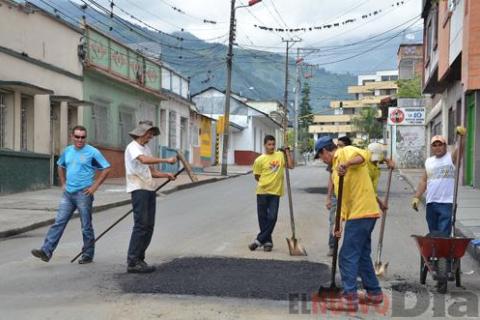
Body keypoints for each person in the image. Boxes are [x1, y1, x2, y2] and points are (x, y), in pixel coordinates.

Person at [315, 136, 383, 311]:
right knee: (361, 255)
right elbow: (344, 201)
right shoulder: (335, 173)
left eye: (320, 156)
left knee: (347, 256)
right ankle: (374, 293)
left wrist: (348, 164)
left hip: (362, 213)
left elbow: (365, 156)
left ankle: (349, 298)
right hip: (361, 213)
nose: (322, 160)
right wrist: (339, 225)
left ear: (325, 151)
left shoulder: (344, 152)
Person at [31, 126, 111, 264]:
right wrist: (63, 183)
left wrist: (94, 187)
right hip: (68, 194)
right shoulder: (67, 151)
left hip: (84, 194)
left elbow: (106, 168)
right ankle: (46, 251)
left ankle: (88, 254)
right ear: (72, 137)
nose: (80, 140)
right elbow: (60, 165)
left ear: (85, 138)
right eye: (77, 137)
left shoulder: (93, 152)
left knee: (86, 226)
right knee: (59, 222)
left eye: (83, 137)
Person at [125, 120, 177, 273]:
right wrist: (166, 160)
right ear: (142, 133)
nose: (151, 136)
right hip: (138, 188)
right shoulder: (133, 147)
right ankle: (132, 261)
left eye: (152, 134)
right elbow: (143, 160)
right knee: (141, 225)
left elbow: (151, 171)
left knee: (149, 226)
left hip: (148, 188)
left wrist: (166, 174)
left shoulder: (146, 148)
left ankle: (140, 258)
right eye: (149, 133)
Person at [412, 128, 465, 236]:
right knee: (433, 234)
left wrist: (462, 138)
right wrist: (416, 197)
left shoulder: (451, 158)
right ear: (431, 147)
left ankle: (442, 253)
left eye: (440, 144)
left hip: (447, 203)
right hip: (431, 203)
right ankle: (435, 252)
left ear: (445, 146)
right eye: (434, 145)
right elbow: (423, 180)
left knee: (443, 234)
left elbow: (460, 150)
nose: (437, 147)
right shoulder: (429, 161)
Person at [249, 135, 293, 252]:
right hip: (262, 191)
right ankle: (268, 242)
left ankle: (259, 240)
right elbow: (257, 176)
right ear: (264, 145)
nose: (271, 147)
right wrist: (266, 183)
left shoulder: (280, 155)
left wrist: (287, 152)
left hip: (275, 192)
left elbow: (290, 165)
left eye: (273, 144)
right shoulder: (259, 160)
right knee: (263, 218)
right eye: (269, 144)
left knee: (272, 217)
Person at [325, 136, 352, 256]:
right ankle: (332, 246)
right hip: (337, 195)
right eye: (338, 146)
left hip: (351, 195)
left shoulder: (352, 159)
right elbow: (331, 179)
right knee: (334, 221)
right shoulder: (334, 160)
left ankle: (351, 248)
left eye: (341, 146)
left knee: (351, 224)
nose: (338, 148)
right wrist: (329, 197)